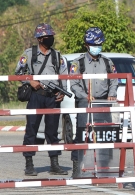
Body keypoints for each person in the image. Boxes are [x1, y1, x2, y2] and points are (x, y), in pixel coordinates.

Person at [15, 23, 68, 176]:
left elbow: (63, 75)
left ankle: (54, 164)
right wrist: (29, 81)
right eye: (47, 37)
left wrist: (62, 91)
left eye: (51, 36)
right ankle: (29, 164)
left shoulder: (57, 56)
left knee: (52, 132)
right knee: (31, 130)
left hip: (52, 97)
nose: (50, 39)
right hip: (36, 96)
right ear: (39, 39)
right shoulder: (29, 54)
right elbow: (18, 73)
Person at [69, 27, 118, 178]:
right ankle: (77, 168)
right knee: (82, 135)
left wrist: (111, 94)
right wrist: (85, 96)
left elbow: (114, 79)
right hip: (85, 103)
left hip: (103, 103)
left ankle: (104, 168)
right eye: (94, 44)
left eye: (99, 44)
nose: (97, 47)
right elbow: (73, 83)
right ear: (86, 45)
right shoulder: (78, 63)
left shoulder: (107, 62)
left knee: (104, 135)